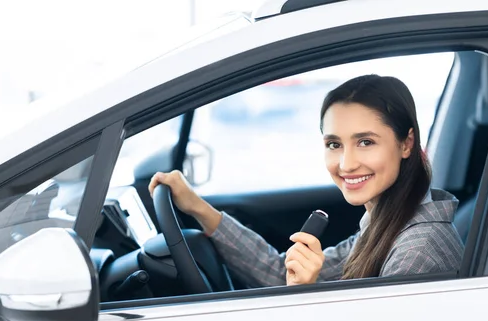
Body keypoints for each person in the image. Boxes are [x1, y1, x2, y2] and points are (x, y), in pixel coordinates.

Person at [149, 74, 464, 287]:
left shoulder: (417, 253)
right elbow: (279, 272)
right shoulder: (386, 220)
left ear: (406, 144)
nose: (346, 164)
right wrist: (198, 208)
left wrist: (306, 295)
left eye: (366, 142)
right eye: (334, 144)